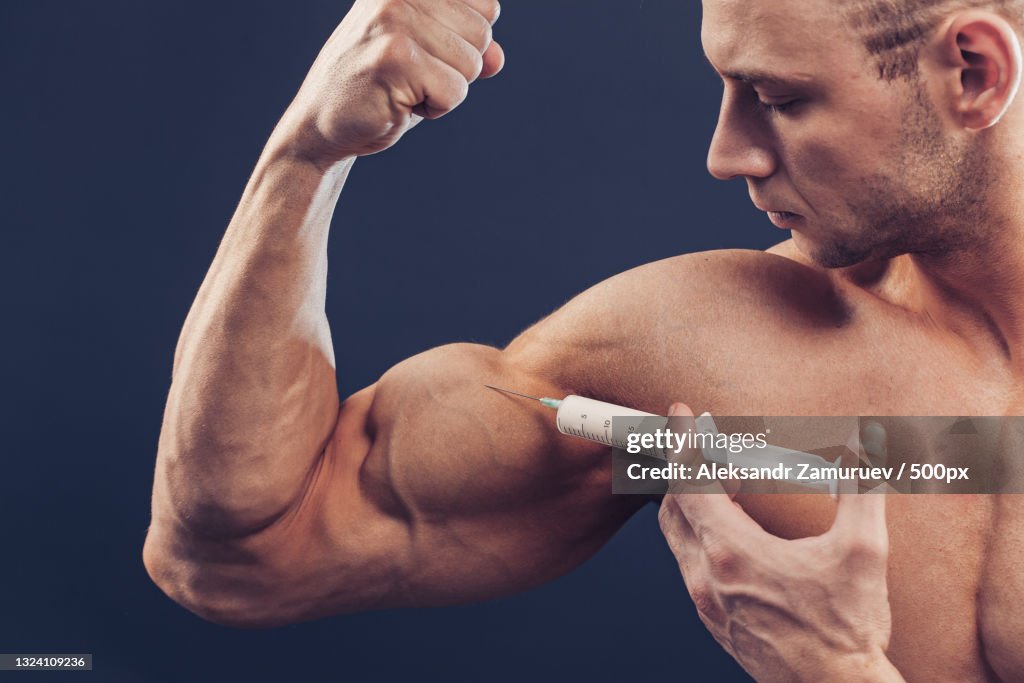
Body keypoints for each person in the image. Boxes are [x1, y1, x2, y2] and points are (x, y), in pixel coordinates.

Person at [142, 0, 1024, 680]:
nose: (725, 153)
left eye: (779, 99)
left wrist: (837, 670)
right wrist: (305, 154)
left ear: (975, 73)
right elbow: (238, 557)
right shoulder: (716, 345)